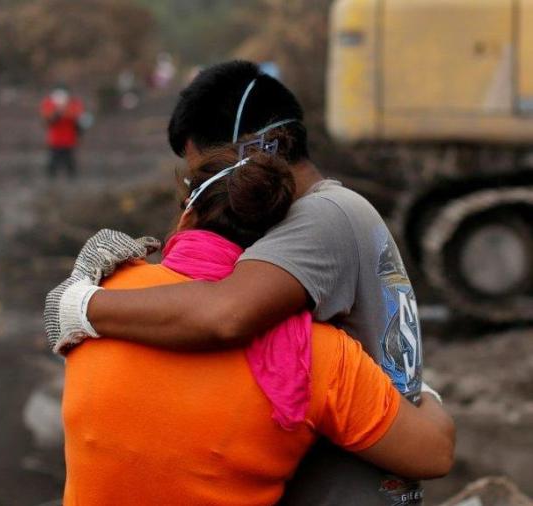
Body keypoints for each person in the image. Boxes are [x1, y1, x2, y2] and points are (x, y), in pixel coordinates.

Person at [45, 60, 428, 504]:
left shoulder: (322, 217)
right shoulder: (343, 209)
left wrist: (82, 307)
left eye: (205, 173)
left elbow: (225, 314)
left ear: (251, 155)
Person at [40, 84, 84, 179]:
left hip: (69, 140)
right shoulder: (50, 106)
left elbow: (78, 122)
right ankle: (51, 182)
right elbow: (47, 121)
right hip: (55, 140)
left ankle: (71, 181)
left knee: (69, 162)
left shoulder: (73, 105)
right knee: (53, 162)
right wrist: (58, 113)